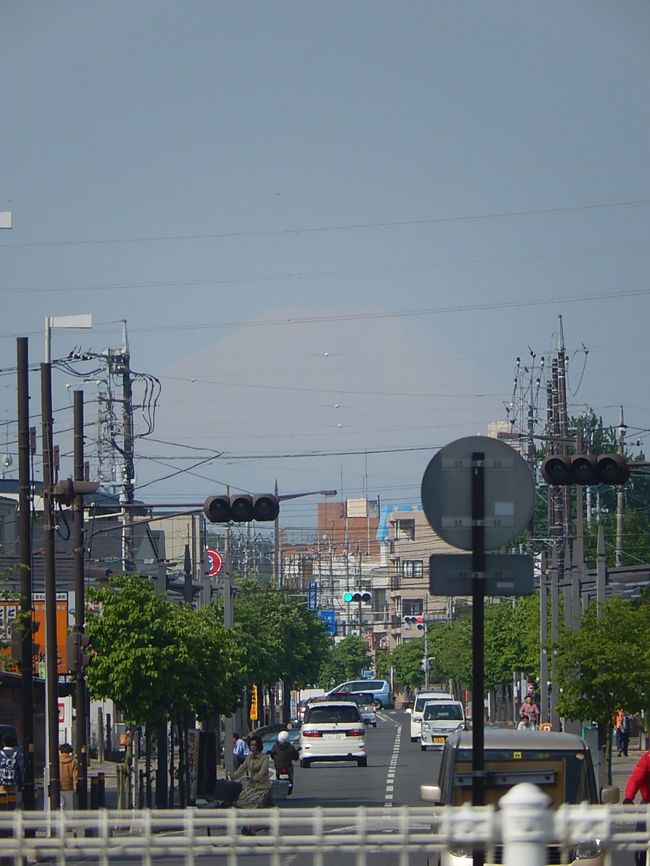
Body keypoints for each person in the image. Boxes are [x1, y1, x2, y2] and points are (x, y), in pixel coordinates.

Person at [231, 734, 272, 833]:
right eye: (251, 745)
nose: (252, 747)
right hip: (251, 786)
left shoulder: (264, 758)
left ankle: (254, 828)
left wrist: (256, 778)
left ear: (258, 746)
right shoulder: (248, 758)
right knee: (241, 801)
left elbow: (263, 771)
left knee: (254, 804)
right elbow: (241, 769)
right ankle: (251, 824)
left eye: (254, 745)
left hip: (262, 786)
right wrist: (232, 777)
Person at [623, 750, 650, 865]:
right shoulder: (648, 758)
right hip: (648, 805)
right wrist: (629, 797)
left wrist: (629, 798)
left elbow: (636, 777)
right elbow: (636, 777)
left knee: (641, 839)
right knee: (641, 839)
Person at [0, 733, 22, 812]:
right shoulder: (16, 754)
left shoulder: (1, 754)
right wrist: (20, 782)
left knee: (2, 799)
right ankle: (11, 813)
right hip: (13, 782)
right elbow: (20, 769)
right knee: (12, 799)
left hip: (2, 782)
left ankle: (3, 814)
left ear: (3, 742)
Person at [59, 743, 78, 809]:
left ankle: (60, 818)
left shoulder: (56, 760)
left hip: (58, 786)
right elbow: (75, 775)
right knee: (69, 806)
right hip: (68, 786)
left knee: (60, 805)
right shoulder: (73, 761)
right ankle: (68, 819)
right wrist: (75, 785)